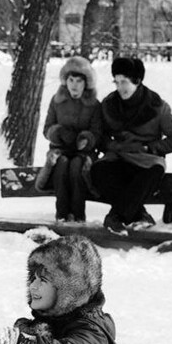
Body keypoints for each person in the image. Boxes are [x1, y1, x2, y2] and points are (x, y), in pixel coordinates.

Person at [90, 56, 172, 234]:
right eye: (116, 82)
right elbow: (99, 136)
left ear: (137, 81)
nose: (120, 87)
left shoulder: (157, 106)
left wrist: (151, 148)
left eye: (124, 82)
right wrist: (112, 146)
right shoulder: (109, 104)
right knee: (98, 172)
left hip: (146, 161)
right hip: (118, 157)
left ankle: (115, 217)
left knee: (151, 174)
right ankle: (140, 214)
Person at [35, 56, 101, 222]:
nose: (74, 85)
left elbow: (98, 133)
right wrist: (59, 132)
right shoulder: (57, 101)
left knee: (76, 166)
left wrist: (86, 139)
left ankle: (78, 216)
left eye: (79, 81)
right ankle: (62, 215)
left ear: (86, 83)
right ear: (65, 81)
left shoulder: (94, 104)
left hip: (83, 153)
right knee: (62, 163)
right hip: (60, 149)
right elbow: (46, 129)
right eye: (71, 80)